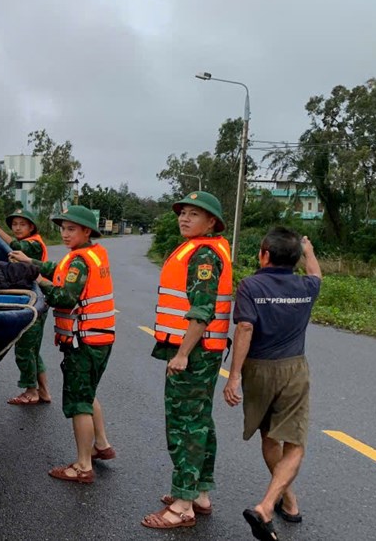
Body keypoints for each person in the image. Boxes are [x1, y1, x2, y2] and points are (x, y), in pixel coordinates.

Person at [142, 191, 232, 530]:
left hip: (194, 353)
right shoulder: (201, 249)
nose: (184, 218)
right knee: (201, 421)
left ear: (211, 222)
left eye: (194, 214)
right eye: (183, 213)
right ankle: (199, 493)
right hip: (203, 352)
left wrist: (182, 353)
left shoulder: (204, 256)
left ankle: (182, 505)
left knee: (185, 425)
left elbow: (202, 311)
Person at [224, 228, 321, 541]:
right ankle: (268, 506)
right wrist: (308, 251)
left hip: (258, 370)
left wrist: (234, 376)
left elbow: (245, 328)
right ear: (295, 258)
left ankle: (288, 502)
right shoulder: (307, 286)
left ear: (264, 254)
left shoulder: (250, 285)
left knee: (270, 437)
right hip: (294, 370)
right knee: (294, 443)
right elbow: (316, 273)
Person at [11, 205, 116, 482]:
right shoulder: (93, 254)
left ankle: (83, 466)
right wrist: (31, 262)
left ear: (87, 231)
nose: (65, 234)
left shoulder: (79, 261)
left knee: (78, 402)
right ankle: (101, 445)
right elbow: (58, 270)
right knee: (87, 392)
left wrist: (38, 280)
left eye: (71, 229)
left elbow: (65, 297)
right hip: (99, 338)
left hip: (83, 340)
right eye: (63, 229)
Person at [0, 208, 52, 405]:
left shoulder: (33, 245)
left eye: (22, 224)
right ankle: (43, 391)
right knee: (33, 350)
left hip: (36, 302)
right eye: (14, 224)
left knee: (24, 349)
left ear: (31, 227)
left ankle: (31, 391)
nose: (17, 228)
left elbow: (14, 244)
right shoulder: (29, 243)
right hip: (38, 300)